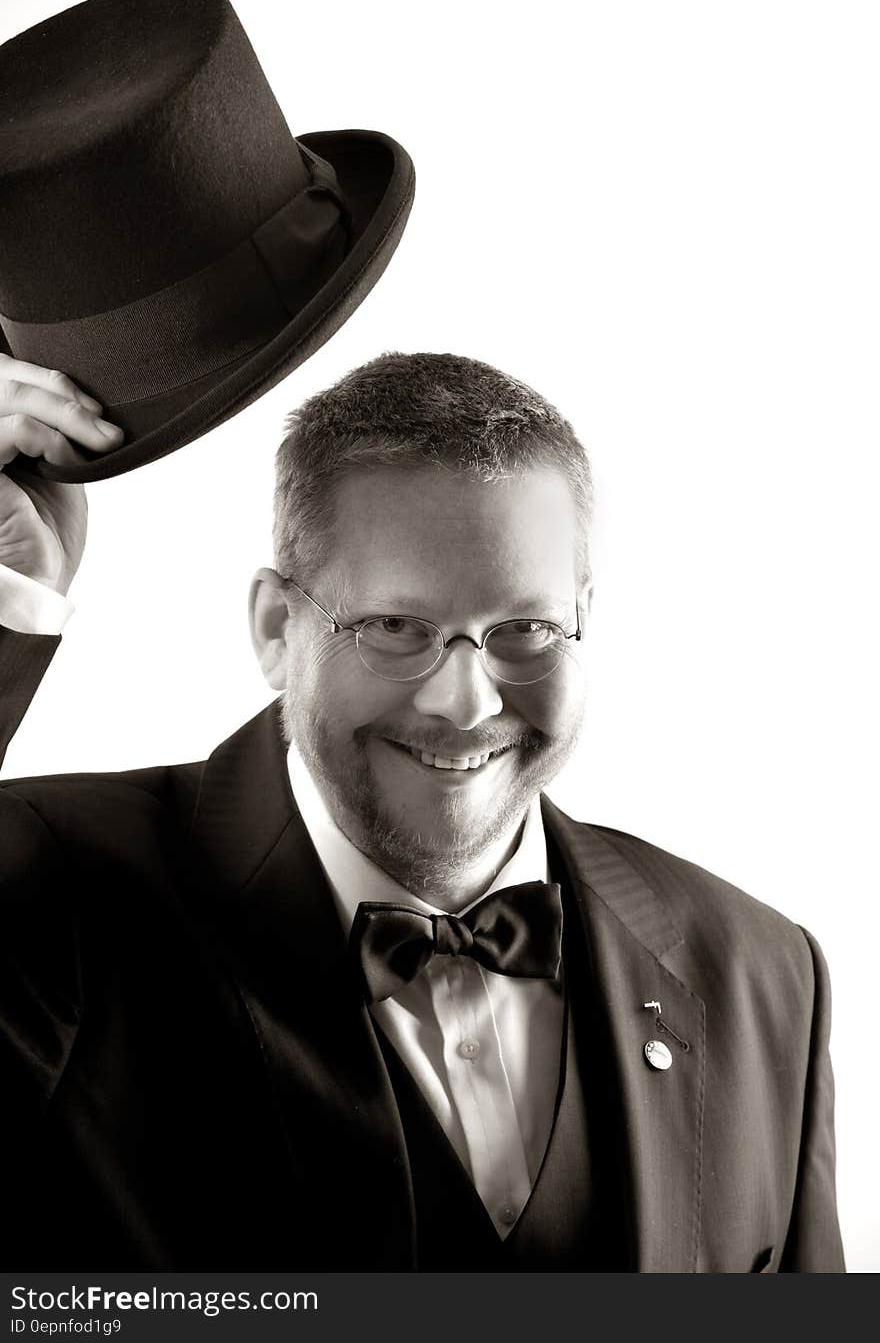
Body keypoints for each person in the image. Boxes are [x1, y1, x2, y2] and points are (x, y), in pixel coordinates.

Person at [0, 350, 845, 1272]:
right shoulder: (43, 892)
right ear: (279, 630)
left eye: (524, 628)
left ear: (584, 620)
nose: (467, 702)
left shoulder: (766, 976)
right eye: (396, 627)